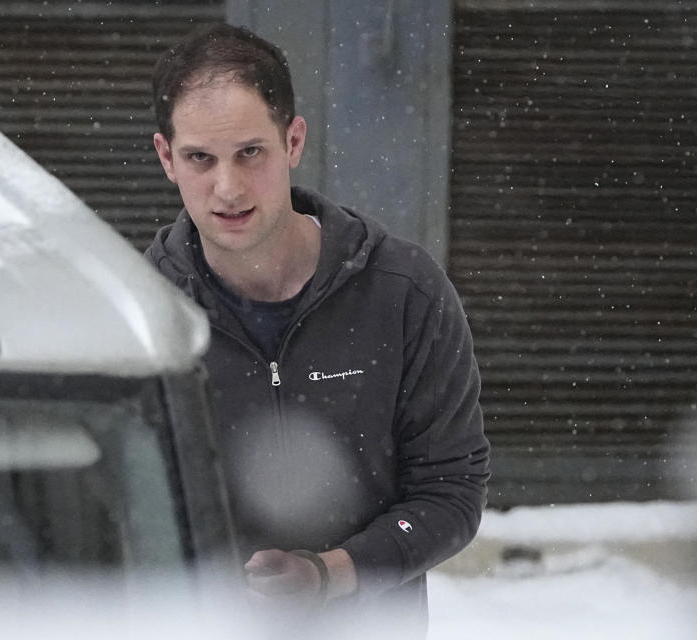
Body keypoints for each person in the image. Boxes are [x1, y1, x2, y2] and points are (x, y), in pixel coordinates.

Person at [145, 23, 489, 634]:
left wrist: (332, 574)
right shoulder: (143, 313)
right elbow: (117, 510)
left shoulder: (403, 291)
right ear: (167, 157)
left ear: (294, 140)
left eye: (251, 152)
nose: (228, 187)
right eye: (201, 157)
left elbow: (450, 492)